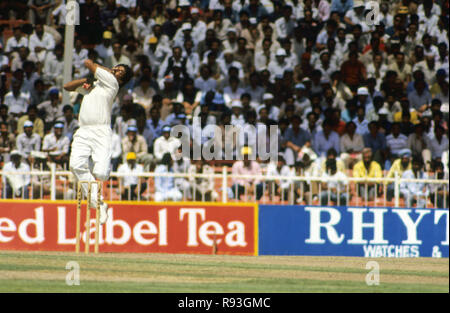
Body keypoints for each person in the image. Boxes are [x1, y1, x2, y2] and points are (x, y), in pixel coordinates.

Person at [63, 58, 132, 224]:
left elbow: (87, 62)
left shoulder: (112, 83)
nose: (116, 71)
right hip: (83, 130)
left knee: (101, 173)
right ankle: (99, 204)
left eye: (119, 72)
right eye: (116, 68)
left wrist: (107, 71)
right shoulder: (94, 86)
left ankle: (97, 198)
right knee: (75, 166)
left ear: (121, 79)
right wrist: (85, 81)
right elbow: (67, 87)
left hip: (101, 131)